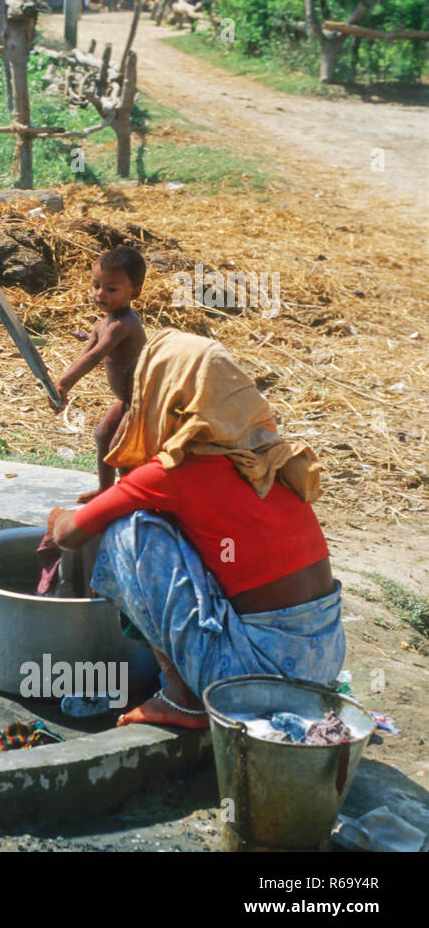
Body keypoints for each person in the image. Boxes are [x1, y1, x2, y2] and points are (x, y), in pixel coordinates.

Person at [45, 329, 345, 729]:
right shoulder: (269, 457)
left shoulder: (174, 473)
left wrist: (57, 518)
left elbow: (69, 535)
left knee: (128, 529)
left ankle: (182, 697)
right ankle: (197, 682)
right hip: (322, 668)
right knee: (185, 532)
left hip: (251, 680)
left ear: (166, 400)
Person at [49, 246, 148, 503]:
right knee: (103, 435)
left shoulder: (123, 325)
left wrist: (63, 383)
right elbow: (84, 355)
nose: (100, 294)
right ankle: (106, 492)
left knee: (120, 447)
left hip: (143, 400)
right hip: (126, 400)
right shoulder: (101, 325)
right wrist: (61, 387)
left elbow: (94, 358)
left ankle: (130, 499)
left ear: (134, 292)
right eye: (96, 285)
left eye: (111, 289)